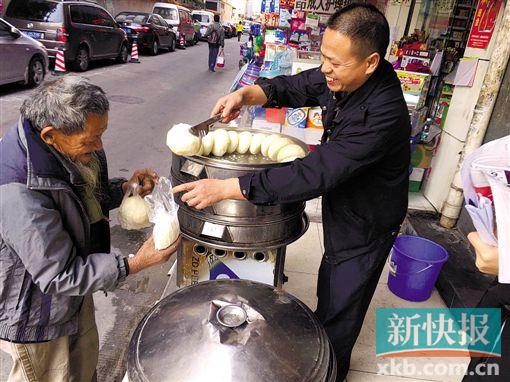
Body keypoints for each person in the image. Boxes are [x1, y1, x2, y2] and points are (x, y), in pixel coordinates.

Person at [173, 4, 410, 381]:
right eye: (323, 57)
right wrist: (247, 95)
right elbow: (299, 85)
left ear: (370, 62)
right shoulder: (347, 75)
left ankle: (329, 369)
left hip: (368, 218)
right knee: (331, 279)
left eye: (335, 62)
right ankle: (321, 338)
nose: (326, 69)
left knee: (342, 303)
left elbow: (317, 172)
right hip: (345, 202)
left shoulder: (380, 113)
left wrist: (231, 187)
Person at [0, 77, 180, 382]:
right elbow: (57, 274)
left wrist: (126, 188)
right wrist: (134, 263)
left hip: (73, 296)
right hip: (36, 314)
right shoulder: (19, 187)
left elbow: (79, 197)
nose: (98, 146)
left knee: (84, 372)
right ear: (50, 135)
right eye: (90, 140)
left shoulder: (62, 148)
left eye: (102, 135)